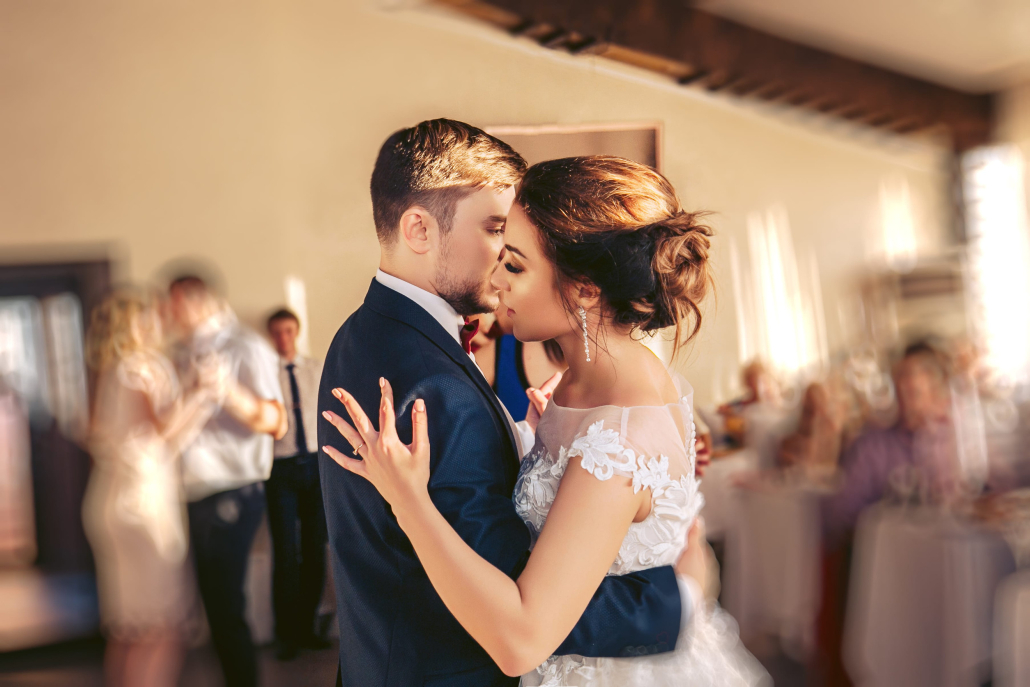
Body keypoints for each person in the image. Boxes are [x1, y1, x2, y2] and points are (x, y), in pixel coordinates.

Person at [323, 153, 769, 686]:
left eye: (514, 263)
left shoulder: (618, 437)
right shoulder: (590, 385)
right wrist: (533, 439)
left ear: (584, 288)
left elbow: (522, 640)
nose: (496, 279)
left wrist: (410, 502)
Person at [82, 288, 220, 687]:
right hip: (144, 504)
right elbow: (164, 432)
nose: (162, 320)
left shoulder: (109, 370)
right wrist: (203, 391)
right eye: (154, 314)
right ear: (138, 324)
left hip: (107, 502)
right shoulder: (143, 366)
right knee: (165, 626)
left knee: (130, 628)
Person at [168, 275, 288, 687]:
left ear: (188, 300)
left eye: (171, 305)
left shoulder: (245, 346)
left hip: (230, 491)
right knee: (213, 610)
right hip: (196, 492)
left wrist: (226, 391)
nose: (168, 315)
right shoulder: (184, 351)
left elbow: (275, 421)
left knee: (225, 607)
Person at [822, 342, 959, 540]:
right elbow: (838, 516)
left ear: (939, 387)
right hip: (895, 552)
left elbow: (994, 490)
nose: (904, 386)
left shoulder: (960, 441)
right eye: (900, 378)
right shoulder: (873, 446)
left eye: (914, 381)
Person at [265, 307, 330, 660]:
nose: (283, 338)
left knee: (314, 548)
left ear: (296, 331)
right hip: (281, 468)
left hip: (316, 463)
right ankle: (286, 634)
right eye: (276, 332)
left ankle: (308, 628)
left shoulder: (315, 368)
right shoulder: (264, 374)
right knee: (286, 552)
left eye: (288, 331)